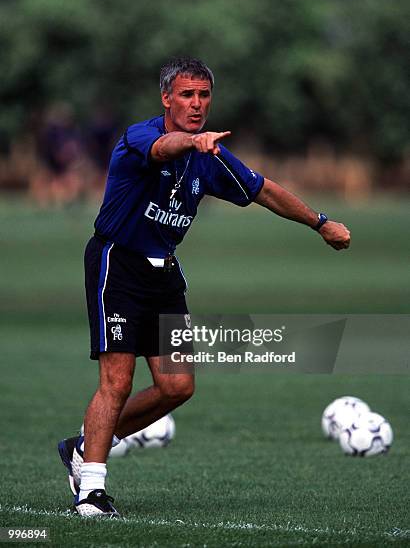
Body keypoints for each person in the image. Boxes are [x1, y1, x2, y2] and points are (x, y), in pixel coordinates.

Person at [58, 57, 350, 517]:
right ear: (166, 98)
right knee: (117, 378)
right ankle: (91, 490)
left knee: (178, 387)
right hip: (118, 264)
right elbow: (164, 148)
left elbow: (265, 190)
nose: (196, 104)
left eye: (204, 95)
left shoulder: (210, 158)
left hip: (164, 274)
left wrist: (321, 223)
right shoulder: (140, 136)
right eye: (187, 95)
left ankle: (82, 447)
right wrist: (191, 141)